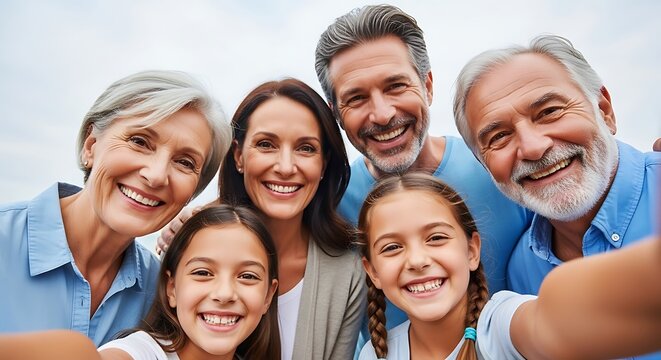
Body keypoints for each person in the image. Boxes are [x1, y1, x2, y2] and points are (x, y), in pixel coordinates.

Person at [314, 3, 531, 343]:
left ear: (428, 86)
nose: (383, 114)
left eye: (396, 86)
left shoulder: (498, 166)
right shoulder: (329, 205)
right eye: (356, 98)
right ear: (336, 113)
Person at [0, 70, 232, 345]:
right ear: (91, 145)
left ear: (193, 191)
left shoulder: (166, 296)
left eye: (184, 162)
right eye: (139, 141)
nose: (156, 175)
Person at [158, 78, 366, 359]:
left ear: (323, 164)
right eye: (266, 144)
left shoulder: (347, 269)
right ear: (238, 156)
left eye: (306, 148)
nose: (285, 167)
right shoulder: (192, 241)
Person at [356, 172, 661, 360]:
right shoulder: (377, 353)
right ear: (373, 271)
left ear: (472, 251)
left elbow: (549, 322)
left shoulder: (499, 326)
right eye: (392, 247)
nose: (418, 260)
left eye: (436, 238)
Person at [452, 34, 661, 295]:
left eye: (550, 111)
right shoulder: (523, 273)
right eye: (499, 137)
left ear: (604, 110)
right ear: (484, 164)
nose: (533, 148)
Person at [0, 204, 281, 360]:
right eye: (202, 273)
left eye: (247, 276)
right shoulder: (143, 353)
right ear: (171, 288)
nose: (224, 293)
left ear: (269, 295)